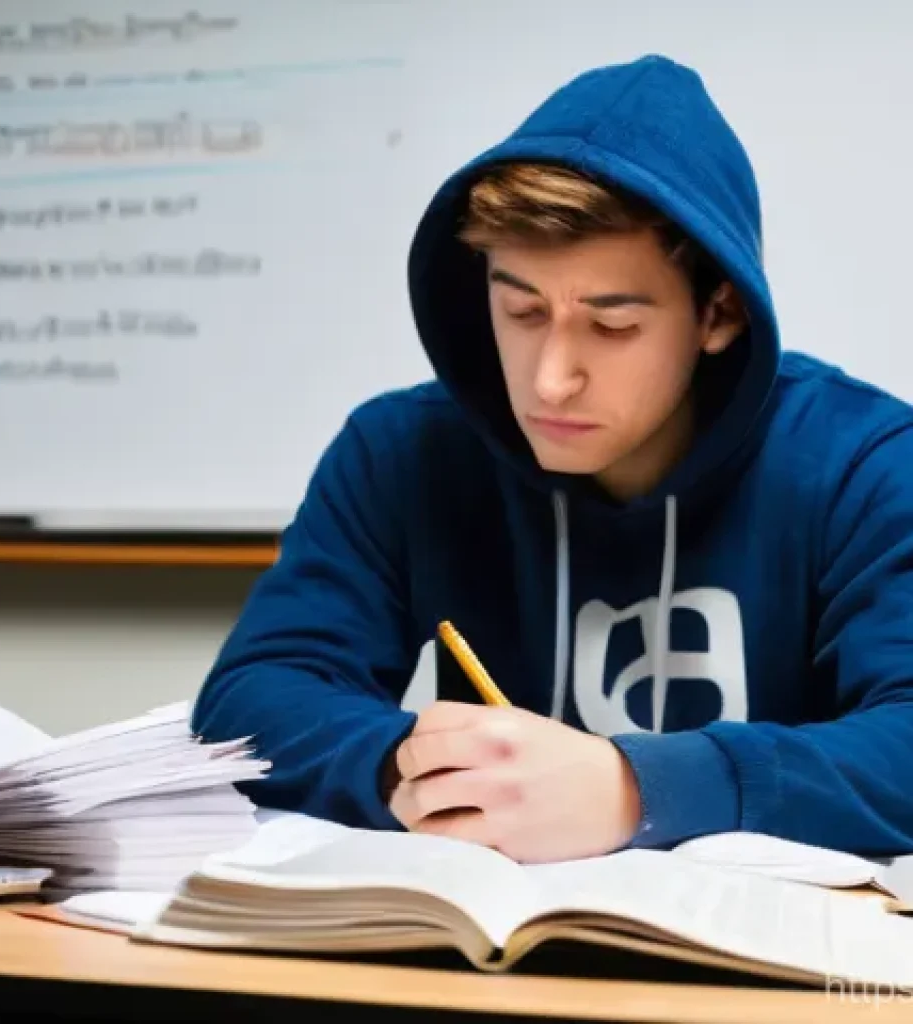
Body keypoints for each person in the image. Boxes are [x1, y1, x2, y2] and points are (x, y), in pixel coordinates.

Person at [191, 53, 913, 862]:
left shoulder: (866, 464)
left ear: (720, 313)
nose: (550, 379)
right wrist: (410, 766)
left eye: (611, 326)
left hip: (771, 977)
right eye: (521, 310)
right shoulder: (400, 453)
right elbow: (251, 698)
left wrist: (636, 789)